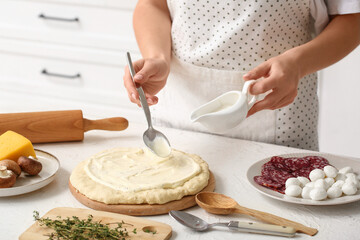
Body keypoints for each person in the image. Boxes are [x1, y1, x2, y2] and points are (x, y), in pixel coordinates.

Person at [123, 0, 360, 151]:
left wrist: (297, 65)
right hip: (178, 115)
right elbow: (153, 4)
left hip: (278, 119)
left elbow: (352, 17)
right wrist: (157, 57)